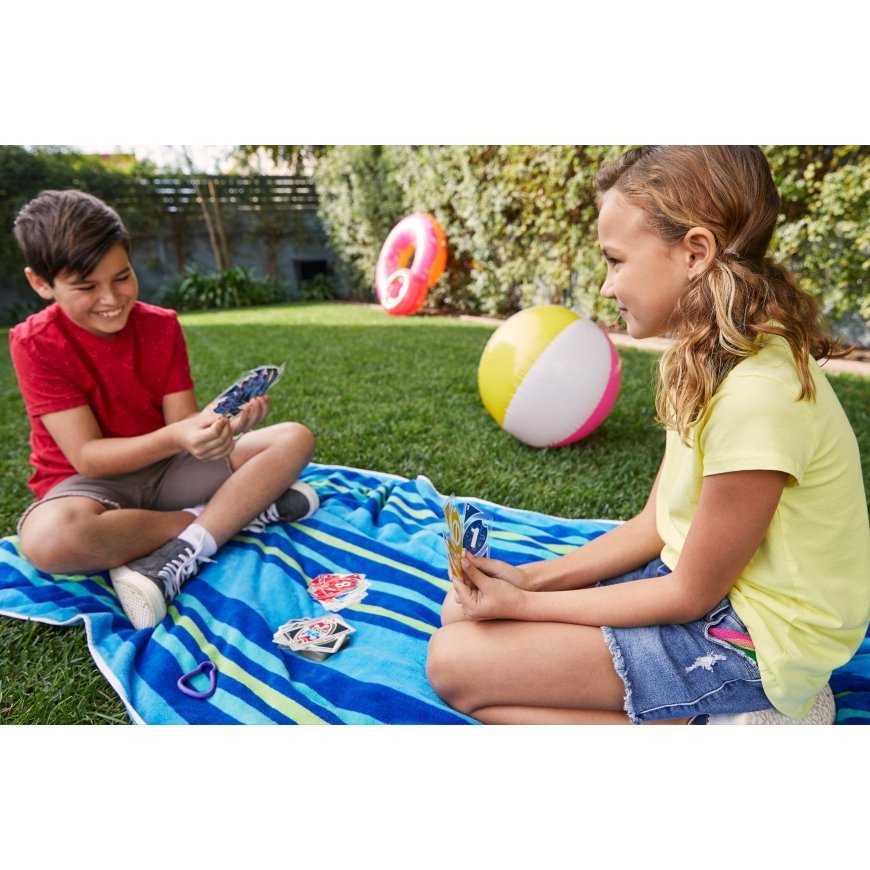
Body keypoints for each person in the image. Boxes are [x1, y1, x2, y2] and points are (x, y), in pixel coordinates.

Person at [426, 146, 870, 725]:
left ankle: (747, 719)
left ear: (695, 253)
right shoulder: (709, 355)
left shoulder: (758, 396)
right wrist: (527, 581)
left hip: (761, 641)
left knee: (454, 661)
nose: (606, 287)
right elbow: (654, 525)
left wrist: (527, 605)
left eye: (616, 261)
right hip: (706, 593)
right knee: (460, 615)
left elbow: (689, 594)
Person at [9, 189, 319, 630]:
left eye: (122, 277)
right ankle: (219, 518)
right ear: (42, 283)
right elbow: (88, 457)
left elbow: (182, 426)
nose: (111, 298)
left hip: (168, 470)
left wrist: (221, 427)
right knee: (50, 539)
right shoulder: (35, 343)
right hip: (86, 485)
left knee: (293, 437)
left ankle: (190, 542)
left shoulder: (161, 325)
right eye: (87, 287)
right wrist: (179, 437)